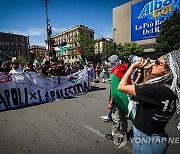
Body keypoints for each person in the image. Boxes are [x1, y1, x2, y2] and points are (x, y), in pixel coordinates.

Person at [118, 50, 180, 154]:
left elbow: (121, 87)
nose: (153, 64)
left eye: (157, 63)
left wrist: (132, 67)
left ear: (168, 70)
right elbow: (145, 84)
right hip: (158, 136)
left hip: (146, 141)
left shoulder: (155, 91)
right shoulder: (170, 90)